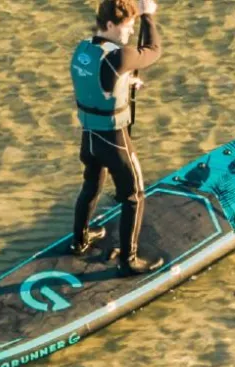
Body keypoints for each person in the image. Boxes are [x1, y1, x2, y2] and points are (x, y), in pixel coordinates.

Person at [70, 0, 165, 275]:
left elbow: (97, 83)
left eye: (134, 26)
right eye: (128, 26)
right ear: (110, 25)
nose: (131, 31)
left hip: (89, 138)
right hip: (114, 140)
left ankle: (79, 241)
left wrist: (127, 81)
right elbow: (153, 50)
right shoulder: (120, 57)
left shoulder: (83, 49)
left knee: (91, 185)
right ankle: (128, 261)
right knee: (134, 196)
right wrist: (148, 16)